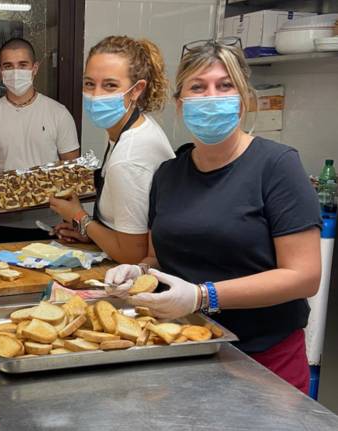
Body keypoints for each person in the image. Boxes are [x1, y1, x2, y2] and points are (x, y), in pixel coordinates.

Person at [105, 38, 321, 394]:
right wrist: (138, 272)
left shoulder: (277, 166)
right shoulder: (168, 174)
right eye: (197, 87)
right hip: (183, 349)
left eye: (224, 86)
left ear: (243, 100)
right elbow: (159, 257)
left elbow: (304, 276)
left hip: (263, 361)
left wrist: (202, 296)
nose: (211, 97)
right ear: (180, 104)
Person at [49, 36, 174, 264]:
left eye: (110, 85)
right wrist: (92, 234)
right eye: (89, 84)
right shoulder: (132, 128)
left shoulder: (128, 158)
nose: (96, 96)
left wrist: (79, 217)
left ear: (136, 90)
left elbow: (133, 255)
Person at [0, 37, 80, 243]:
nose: (15, 72)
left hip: (51, 221)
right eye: (8, 66)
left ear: (35, 68)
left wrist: (74, 220)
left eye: (22, 65)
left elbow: (71, 172)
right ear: (0, 71)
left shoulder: (58, 113)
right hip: (1, 223)